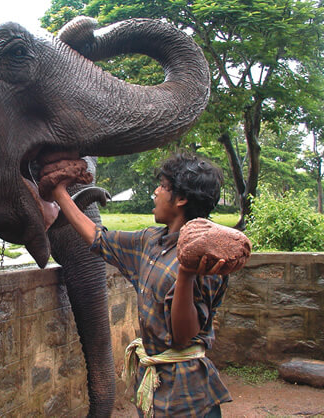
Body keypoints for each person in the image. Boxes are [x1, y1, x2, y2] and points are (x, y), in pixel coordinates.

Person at [47, 152, 231, 417]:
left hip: (189, 397)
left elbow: (183, 337)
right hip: (154, 386)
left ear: (181, 199)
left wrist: (187, 274)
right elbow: (98, 239)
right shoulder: (151, 242)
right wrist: (60, 193)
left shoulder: (207, 257)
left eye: (163, 187)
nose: (155, 192)